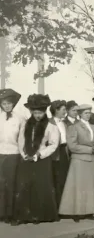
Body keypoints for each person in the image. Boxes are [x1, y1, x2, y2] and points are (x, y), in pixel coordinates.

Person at [13, 94, 60, 225]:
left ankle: (40, 216)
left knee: (41, 187)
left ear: (45, 112)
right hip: (27, 159)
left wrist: (39, 155)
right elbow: (21, 141)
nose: (38, 115)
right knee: (25, 186)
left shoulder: (51, 127)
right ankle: (24, 216)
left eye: (40, 112)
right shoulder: (26, 125)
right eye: (35, 112)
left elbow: (53, 144)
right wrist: (24, 155)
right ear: (32, 112)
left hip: (42, 161)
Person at [59, 104, 94, 222]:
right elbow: (72, 146)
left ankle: (89, 211)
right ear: (80, 114)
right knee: (78, 186)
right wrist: (90, 149)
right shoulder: (74, 127)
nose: (88, 115)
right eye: (85, 113)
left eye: (89, 112)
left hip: (92, 160)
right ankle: (77, 213)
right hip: (79, 160)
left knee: (90, 187)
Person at [0, 89, 25, 224]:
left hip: (13, 155)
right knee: (0, 185)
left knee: (12, 185)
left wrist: (22, 154)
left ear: (13, 104)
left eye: (9, 103)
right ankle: (1, 213)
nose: (6, 106)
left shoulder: (20, 118)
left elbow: (21, 139)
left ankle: (12, 214)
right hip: (0, 154)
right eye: (4, 104)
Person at [49, 100, 70, 208]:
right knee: (54, 180)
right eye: (63, 110)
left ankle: (62, 207)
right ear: (56, 110)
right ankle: (54, 207)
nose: (65, 112)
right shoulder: (49, 122)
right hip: (52, 154)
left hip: (63, 152)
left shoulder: (64, 123)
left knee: (62, 179)